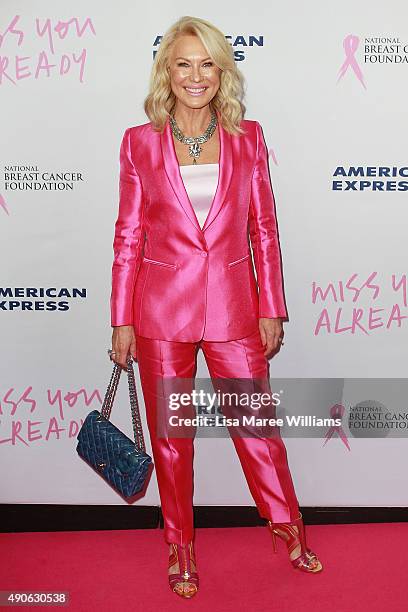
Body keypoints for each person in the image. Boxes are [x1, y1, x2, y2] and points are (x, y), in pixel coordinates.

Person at [109, 15, 323, 599]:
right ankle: (180, 547)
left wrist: (271, 305)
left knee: (257, 428)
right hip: (159, 314)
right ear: (167, 72)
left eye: (207, 63)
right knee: (172, 442)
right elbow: (128, 236)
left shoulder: (247, 137)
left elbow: (265, 231)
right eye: (183, 63)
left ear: (222, 72)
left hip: (234, 308)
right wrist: (121, 318)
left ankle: (289, 527)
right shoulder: (139, 141)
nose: (195, 75)